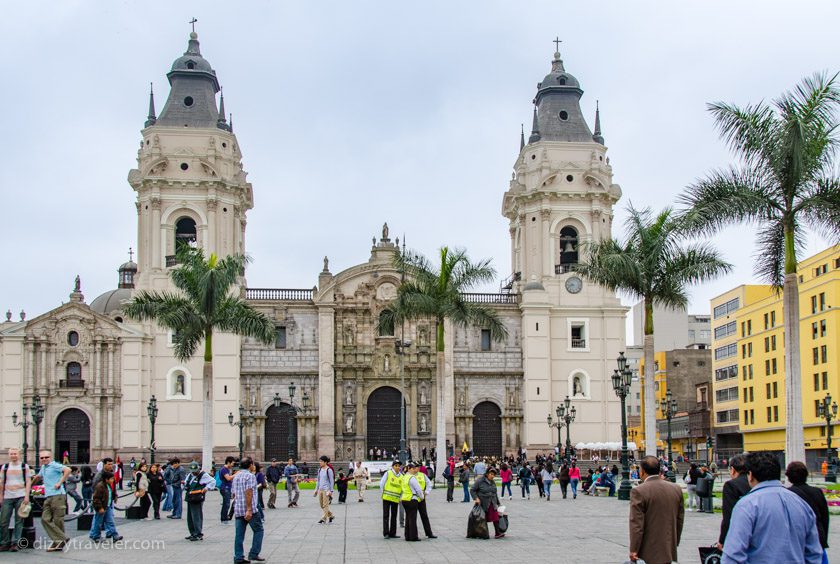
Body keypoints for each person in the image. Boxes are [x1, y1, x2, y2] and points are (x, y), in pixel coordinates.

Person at [721, 451, 821, 564]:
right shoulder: (801, 504)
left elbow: (733, 554)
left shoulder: (747, 505)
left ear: (751, 475)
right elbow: (814, 553)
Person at [628, 456, 684, 564]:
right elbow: (679, 520)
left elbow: (636, 524)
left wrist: (634, 549)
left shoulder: (639, 491)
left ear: (642, 471)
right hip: (669, 548)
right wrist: (674, 541)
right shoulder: (676, 489)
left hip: (648, 550)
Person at [786, 461, 830, 562]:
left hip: (797, 540)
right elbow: (825, 517)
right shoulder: (817, 492)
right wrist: (823, 538)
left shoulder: (787, 494)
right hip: (817, 538)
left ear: (788, 476)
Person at [32, 450, 71, 552]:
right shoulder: (44, 467)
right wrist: (28, 485)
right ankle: (61, 539)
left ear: (50, 457)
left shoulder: (54, 465)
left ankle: (58, 542)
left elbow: (68, 470)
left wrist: (59, 483)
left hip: (57, 495)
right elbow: (37, 477)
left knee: (58, 520)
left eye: (46, 457)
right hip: (48, 496)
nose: (44, 459)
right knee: (45, 519)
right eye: (42, 458)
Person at [232, 458, 265, 564]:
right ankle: (254, 553)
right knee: (259, 530)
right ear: (250, 465)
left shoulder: (236, 476)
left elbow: (234, 493)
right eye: (252, 464)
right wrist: (249, 509)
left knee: (239, 535)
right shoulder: (250, 476)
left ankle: (238, 557)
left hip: (238, 509)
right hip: (249, 510)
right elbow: (249, 492)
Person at [717, 453, 751, 550]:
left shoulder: (731, 485)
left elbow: (728, 516)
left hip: (739, 534)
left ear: (732, 469)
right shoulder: (756, 481)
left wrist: (722, 540)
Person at [0, 448, 31, 552]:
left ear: (19, 454)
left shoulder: (24, 466)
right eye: (11, 454)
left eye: (15, 454)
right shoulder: (5, 467)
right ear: (9, 455)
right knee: (3, 521)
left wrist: (27, 496)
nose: (13, 455)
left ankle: (15, 543)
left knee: (19, 521)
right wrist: (1, 496)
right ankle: (4, 542)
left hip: (20, 496)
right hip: (7, 496)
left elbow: (28, 482)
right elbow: (1, 483)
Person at [184, 461, 215, 541]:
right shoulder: (190, 475)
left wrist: (206, 488)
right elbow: (186, 483)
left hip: (197, 497)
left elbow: (212, 481)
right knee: (190, 517)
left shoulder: (203, 475)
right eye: (192, 471)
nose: (194, 473)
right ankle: (192, 533)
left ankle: (198, 533)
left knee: (196, 516)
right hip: (190, 496)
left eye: (195, 471)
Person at [89, 470, 123, 543]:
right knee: (98, 522)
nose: (113, 480)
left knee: (110, 521)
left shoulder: (108, 485)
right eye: (111, 479)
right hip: (102, 507)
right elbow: (96, 498)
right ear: (106, 479)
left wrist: (115, 497)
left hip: (108, 506)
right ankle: (96, 536)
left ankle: (114, 535)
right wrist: (99, 508)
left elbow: (110, 494)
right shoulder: (100, 486)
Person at [471, 467, 504, 539]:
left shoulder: (493, 482)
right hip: (483, 503)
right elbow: (472, 490)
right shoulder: (480, 481)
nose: (492, 476)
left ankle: (497, 533)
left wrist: (498, 503)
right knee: (482, 519)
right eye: (491, 474)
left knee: (496, 517)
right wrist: (476, 498)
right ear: (487, 474)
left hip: (492, 502)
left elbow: (495, 493)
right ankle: (482, 533)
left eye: (494, 475)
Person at [400, 463, 423, 542]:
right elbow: (418, 489)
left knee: (408, 518)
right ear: (409, 469)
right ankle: (413, 536)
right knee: (413, 518)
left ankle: (407, 535)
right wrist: (422, 497)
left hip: (405, 499)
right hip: (412, 499)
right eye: (413, 469)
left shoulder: (404, 477)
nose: (414, 470)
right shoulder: (412, 478)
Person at [380, 460, 402, 538]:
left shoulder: (401, 476)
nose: (398, 467)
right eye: (396, 466)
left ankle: (393, 533)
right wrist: (382, 493)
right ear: (393, 466)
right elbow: (382, 483)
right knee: (386, 515)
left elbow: (402, 488)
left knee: (394, 516)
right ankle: (386, 533)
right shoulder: (388, 473)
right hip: (387, 497)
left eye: (399, 466)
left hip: (395, 498)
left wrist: (400, 497)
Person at [414, 461, 436, 539]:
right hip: (413, 498)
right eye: (416, 467)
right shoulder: (409, 475)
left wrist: (427, 492)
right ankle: (414, 534)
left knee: (424, 515)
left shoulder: (422, 475)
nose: (417, 468)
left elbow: (429, 484)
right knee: (413, 517)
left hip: (422, 498)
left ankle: (429, 533)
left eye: (418, 467)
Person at [313, 455, 334, 524]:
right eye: (320, 461)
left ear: (325, 462)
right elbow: (318, 480)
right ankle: (330, 515)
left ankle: (324, 518)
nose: (320, 462)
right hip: (320, 489)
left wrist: (331, 491)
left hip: (326, 490)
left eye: (321, 461)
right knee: (321, 505)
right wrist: (316, 489)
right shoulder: (319, 470)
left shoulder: (329, 470)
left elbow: (331, 481)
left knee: (325, 504)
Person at [219, 456, 235, 521]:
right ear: (228, 462)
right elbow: (228, 478)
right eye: (232, 463)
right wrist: (236, 474)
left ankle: (224, 516)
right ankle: (224, 517)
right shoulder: (224, 469)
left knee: (227, 503)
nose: (233, 465)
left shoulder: (227, 469)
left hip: (227, 487)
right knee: (226, 503)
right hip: (225, 488)